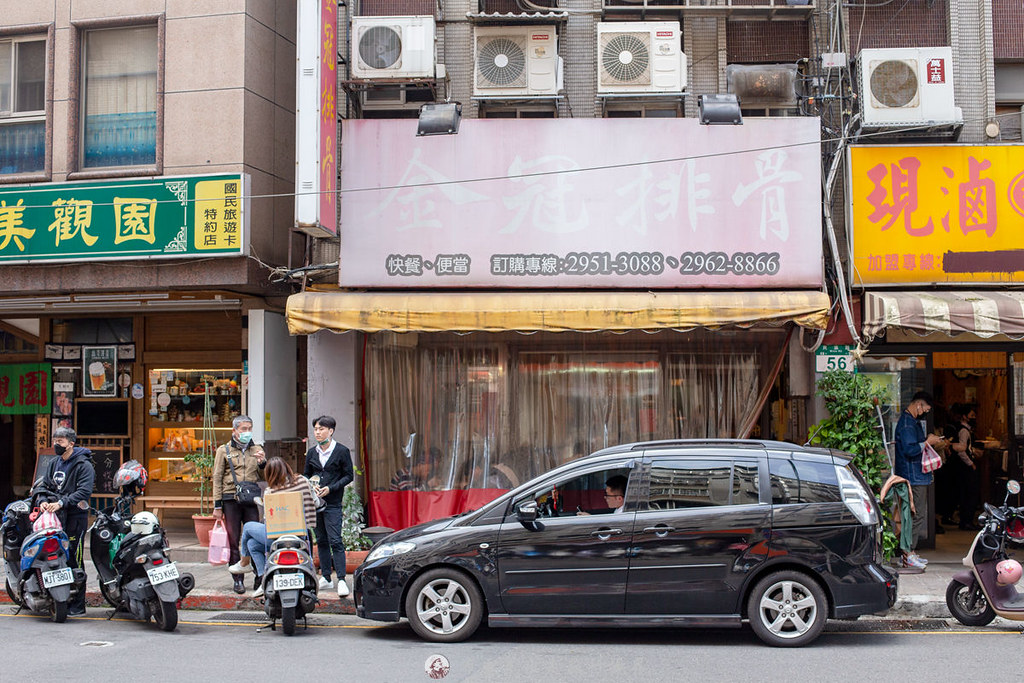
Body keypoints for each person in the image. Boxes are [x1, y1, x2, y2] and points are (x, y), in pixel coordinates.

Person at [228, 457, 319, 597]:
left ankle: (245, 563)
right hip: (301, 536)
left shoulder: (270, 492)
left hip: (277, 539)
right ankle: (263, 578)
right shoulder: (303, 481)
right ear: (287, 467)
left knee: (247, 527)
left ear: (269, 474)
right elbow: (316, 503)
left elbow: (268, 520)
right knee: (252, 544)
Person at [39, 426, 95, 616]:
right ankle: (58, 599)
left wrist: (62, 502)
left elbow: (84, 492)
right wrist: (44, 501)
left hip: (75, 519)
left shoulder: (83, 465)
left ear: (71, 443)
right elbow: (44, 485)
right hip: (55, 519)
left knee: (73, 558)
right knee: (55, 557)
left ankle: (77, 605)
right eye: (55, 440)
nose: (56, 444)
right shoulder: (54, 463)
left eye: (60, 441)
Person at [212, 415, 266, 594]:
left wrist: (262, 463)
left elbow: (264, 477)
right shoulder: (224, 450)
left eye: (249, 428)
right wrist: (217, 505)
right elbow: (217, 478)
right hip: (230, 499)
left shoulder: (257, 449)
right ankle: (238, 579)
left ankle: (259, 577)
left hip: (251, 498)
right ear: (234, 431)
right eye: (243, 429)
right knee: (233, 539)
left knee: (254, 537)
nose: (247, 432)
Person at [303, 415, 353, 598]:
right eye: (316, 429)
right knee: (321, 540)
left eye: (321, 429)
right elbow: (306, 474)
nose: (318, 432)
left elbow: (349, 476)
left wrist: (330, 488)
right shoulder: (311, 452)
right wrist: (311, 485)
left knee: (335, 540)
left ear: (330, 431)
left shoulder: (341, 451)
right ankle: (325, 576)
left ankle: (341, 579)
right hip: (316, 503)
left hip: (332, 503)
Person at [894, 391, 944, 570]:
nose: (925, 413)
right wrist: (928, 442)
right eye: (925, 409)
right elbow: (909, 450)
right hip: (913, 475)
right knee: (916, 515)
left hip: (915, 474)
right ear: (918, 405)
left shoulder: (909, 421)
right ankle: (907, 553)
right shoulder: (907, 423)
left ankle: (909, 553)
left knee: (913, 514)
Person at [950, 405, 982, 531]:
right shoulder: (964, 431)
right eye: (972, 415)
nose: (974, 418)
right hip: (965, 468)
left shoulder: (966, 430)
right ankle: (966, 521)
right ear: (965, 416)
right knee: (969, 494)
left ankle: (966, 520)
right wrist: (971, 463)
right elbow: (962, 450)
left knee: (968, 493)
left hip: (964, 467)